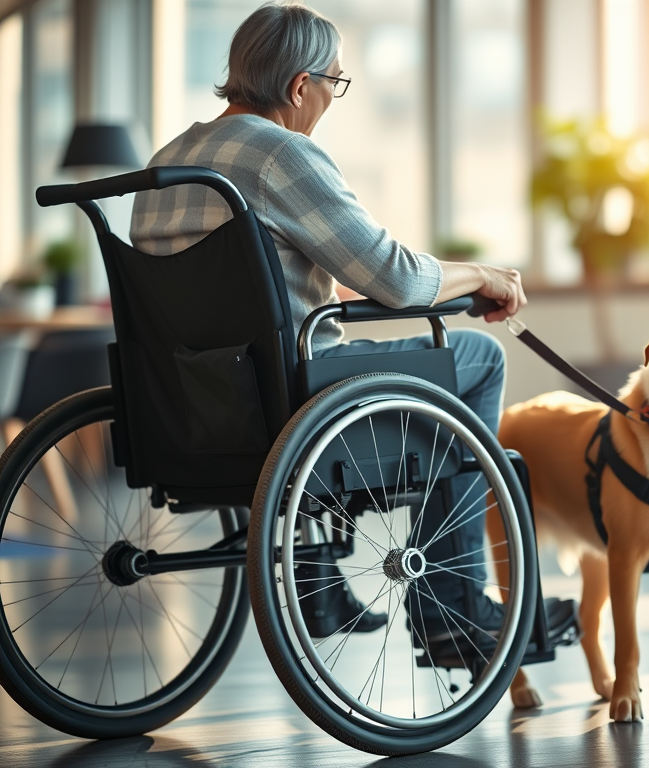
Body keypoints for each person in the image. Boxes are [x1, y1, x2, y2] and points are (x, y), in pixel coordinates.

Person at [130, 2, 524, 639]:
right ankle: (451, 604)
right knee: (480, 358)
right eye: (335, 83)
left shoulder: (167, 161)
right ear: (297, 86)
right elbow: (395, 278)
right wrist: (480, 275)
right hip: (286, 401)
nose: (333, 99)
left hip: (188, 406)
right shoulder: (281, 155)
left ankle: (320, 577)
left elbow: (233, 286)